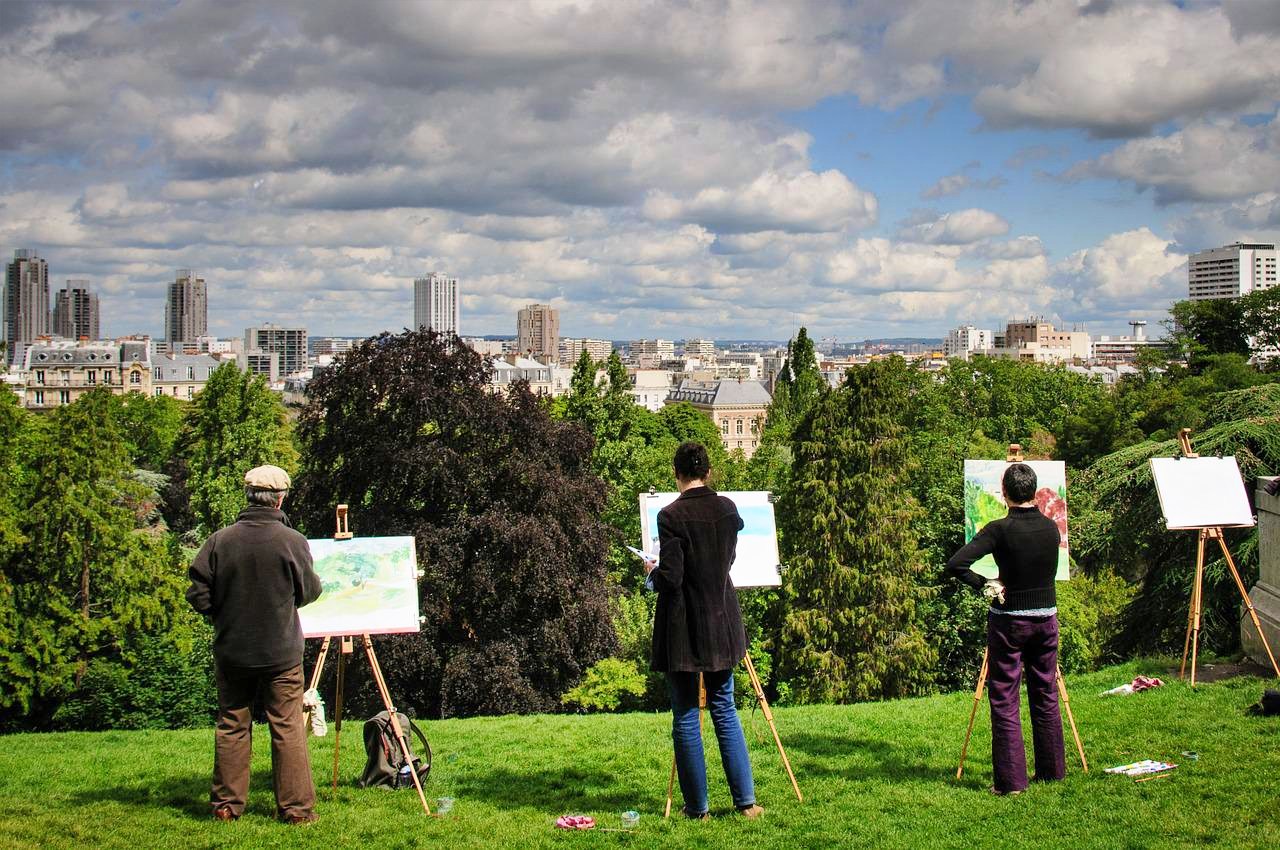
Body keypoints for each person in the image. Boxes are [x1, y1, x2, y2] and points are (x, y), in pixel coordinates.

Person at [186, 465, 323, 824]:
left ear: (248, 496)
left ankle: (227, 807)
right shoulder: (291, 541)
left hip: (233, 650)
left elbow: (198, 593)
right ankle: (296, 811)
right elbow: (309, 592)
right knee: (287, 726)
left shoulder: (220, 540)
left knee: (232, 724)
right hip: (280, 652)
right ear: (280, 499)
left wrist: (223, 615)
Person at [642, 441, 763, 819]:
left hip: (683, 628)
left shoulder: (670, 515)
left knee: (685, 715)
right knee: (724, 707)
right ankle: (746, 803)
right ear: (708, 472)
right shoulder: (728, 509)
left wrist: (651, 576)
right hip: (722, 620)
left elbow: (672, 577)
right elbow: (727, 560)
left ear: (677, 474)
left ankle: (698, 809)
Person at [946, 462, 1066, 796]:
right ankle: (1052, 771)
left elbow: (956, 564)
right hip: (1047, 619)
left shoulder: (999, 529)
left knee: (1004, 698)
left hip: (1010, 619)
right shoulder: (1052, 528)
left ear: (1004, 492)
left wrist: (986, 584)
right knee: (1045, 693)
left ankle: (1012, 782)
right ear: (1035, 491)